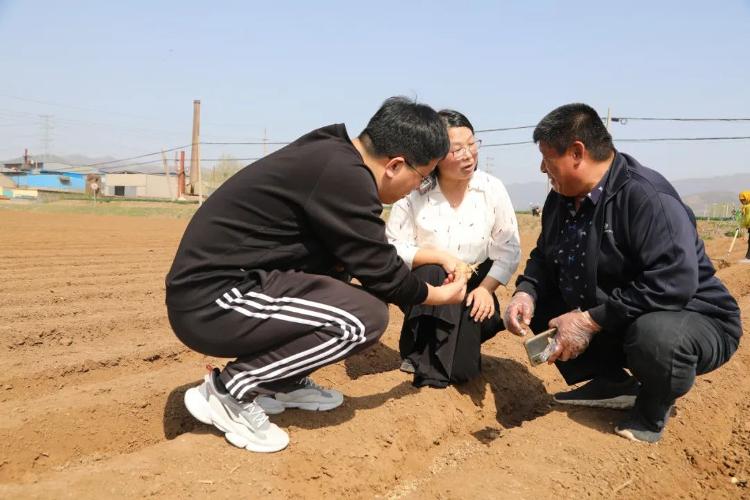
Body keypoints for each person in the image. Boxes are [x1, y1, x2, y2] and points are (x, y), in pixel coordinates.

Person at [165, 96, 468, 453]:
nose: (417, 187)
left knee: (340, 280)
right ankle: (229, 390)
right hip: (210, 301)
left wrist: (425, 261)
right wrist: (437, 296)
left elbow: (366, 255)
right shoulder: (344, 177)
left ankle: (285, 381)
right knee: (363, 319)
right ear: (395, 165)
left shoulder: (334, 156)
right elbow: (381, 270)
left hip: (230, 288)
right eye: (421, 176)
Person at [503, 103, 742, 443]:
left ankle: (652, 407)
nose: (542, 168)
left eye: (546, 158)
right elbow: (545, 255)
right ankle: (611, 381)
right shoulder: (561, 198)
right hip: (628, 310)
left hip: (692, 315)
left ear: (576, 152)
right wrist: (525, 291)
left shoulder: (646, 197)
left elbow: (673, 283)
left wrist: (588, 320)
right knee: (543, 300)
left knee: (656, 337)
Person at [386, 109, 520, 388]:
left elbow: (508, 248)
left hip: (475, 286)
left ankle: (433, 357)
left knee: (462, 372)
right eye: (456, 149)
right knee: (434, 271)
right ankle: (426, 365)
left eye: (471, 145)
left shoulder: (491, 189)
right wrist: (441, 257)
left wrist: (486, 289)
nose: (468, 155)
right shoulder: (415, 191)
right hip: (426, 289)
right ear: (434, 154)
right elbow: (393, 246)